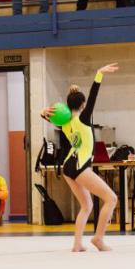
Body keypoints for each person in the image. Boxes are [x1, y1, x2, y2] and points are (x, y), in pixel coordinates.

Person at [42, 64, 119, 250]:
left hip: (68, 165)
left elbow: (46, 115)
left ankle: (77, 244)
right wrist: (99, 74)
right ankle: (98, 238)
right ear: (83, 106)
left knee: (87, 205)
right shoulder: (83, 119)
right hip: (80, 166)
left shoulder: (65, 121)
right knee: (111, 199)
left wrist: (42, 112)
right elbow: (93, 96)